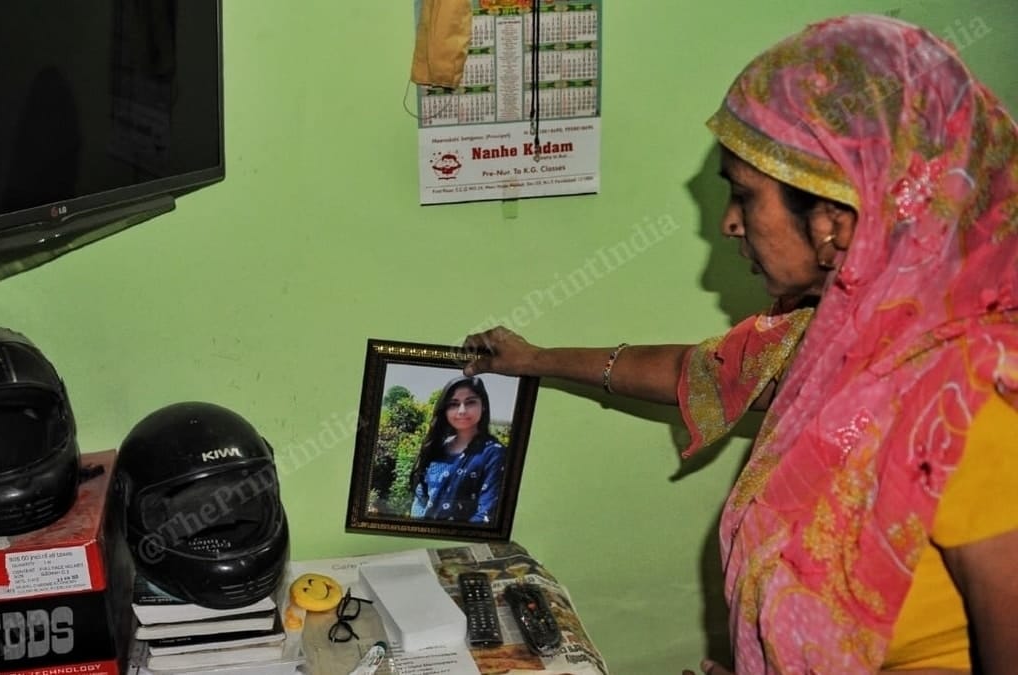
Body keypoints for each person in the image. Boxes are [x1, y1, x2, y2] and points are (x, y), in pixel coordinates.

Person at [462, 14, 1018, 675]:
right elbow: (690, 371)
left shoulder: (979, 402)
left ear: (835, 221)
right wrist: (533, 360)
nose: (730, 221)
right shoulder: (831, 342)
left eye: (744, 195)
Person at [409, 375, 506, 523]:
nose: (462, 410)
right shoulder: (436, 449)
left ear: (483, 406)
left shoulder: (493, 454)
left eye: (470, 402)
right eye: (453, 404)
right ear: (445, 410)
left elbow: (487, 514)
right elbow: (421, 501)